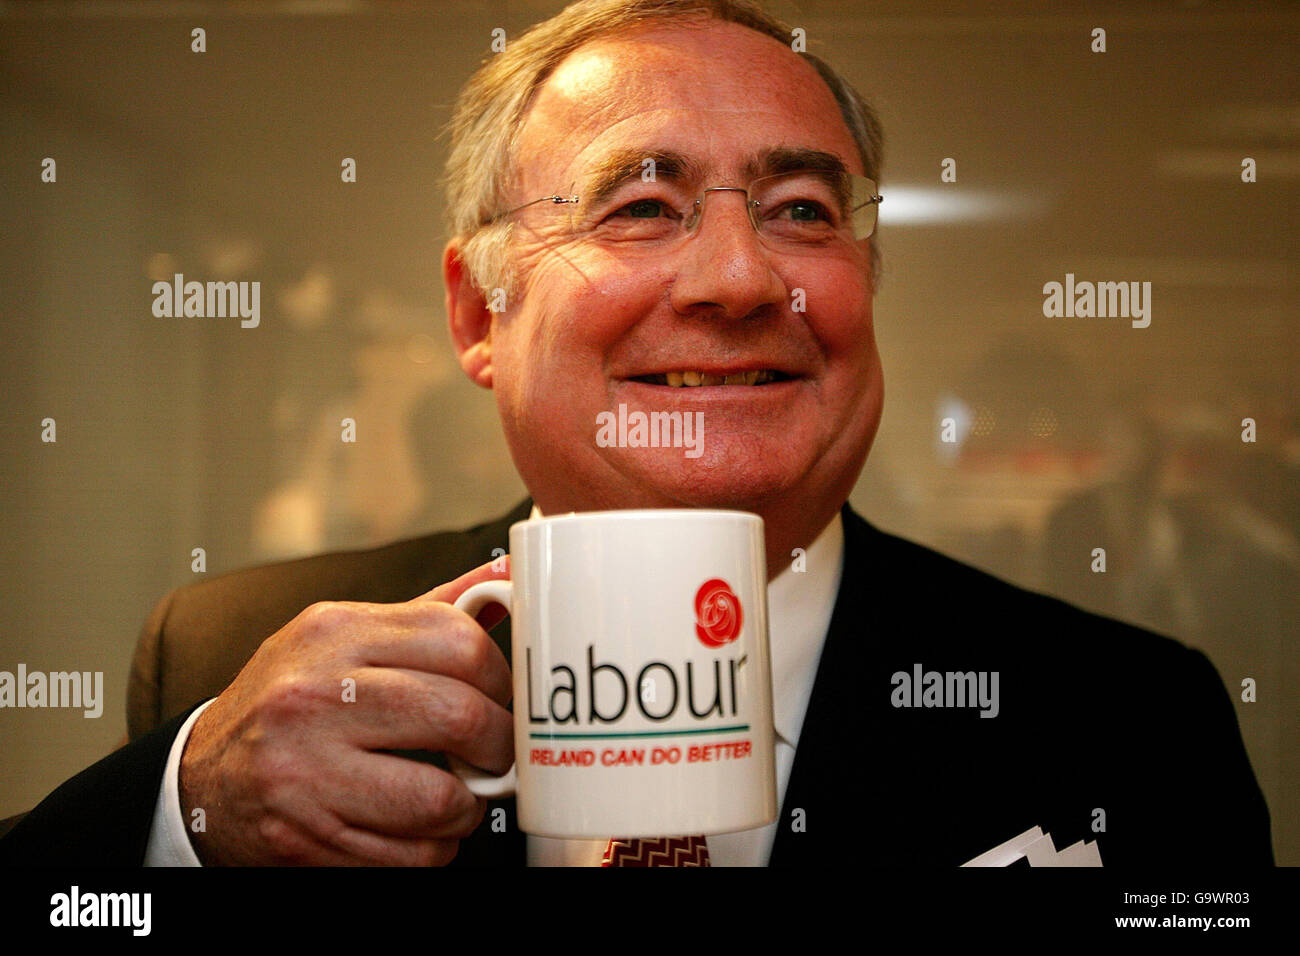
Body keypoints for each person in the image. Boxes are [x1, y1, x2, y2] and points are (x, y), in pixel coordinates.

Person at [0, 0, 1272, 867]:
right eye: (644, 204)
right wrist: (188, 813)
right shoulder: (232, 665)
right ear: (476, 309)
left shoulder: (1126, 717)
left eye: (800, 209)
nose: (735, 275)